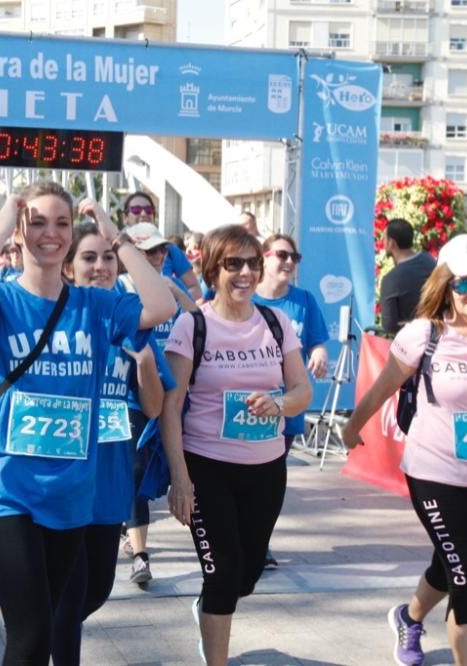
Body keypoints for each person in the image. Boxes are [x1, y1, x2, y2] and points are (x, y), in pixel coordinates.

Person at [0, 180, 174, 665]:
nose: (50, 233)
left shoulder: (95, 306)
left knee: (49, 623)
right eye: (38, 223)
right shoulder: (3, 302)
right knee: (29, 635)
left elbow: (162, 306)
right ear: (20, 231)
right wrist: (1, 228)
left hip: (71, 496)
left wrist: (117, 236)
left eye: (62, 223)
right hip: (3, 489)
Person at [341, 234, 467, 666]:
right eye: (462, 283)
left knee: (449, 566)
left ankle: (408, 617)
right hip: (432, 471)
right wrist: (352, 428)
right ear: (445, 286)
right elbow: (381, 388)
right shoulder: (424, 334)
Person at [162, 224, 312, 665]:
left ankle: (210, 605)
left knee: (245, 575)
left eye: (252, 263)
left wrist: (279, 403)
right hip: (208, 465)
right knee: (222, 572)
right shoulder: (194, 326)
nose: (245, 273)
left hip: (267, 467)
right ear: (213, 269)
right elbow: (171, 406)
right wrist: (180, 479)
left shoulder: (275, 322)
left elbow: (302, 390)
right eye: (233, 264)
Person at [51, 219, 173, 666]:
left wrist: (142, 364)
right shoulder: (56, 314)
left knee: (97, 589)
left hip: (111, 476)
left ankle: (38, 633)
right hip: (60, 476)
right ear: (67, 267)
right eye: (89, 257)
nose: (101, 266)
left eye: (108, 257)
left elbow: (156, 406)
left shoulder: (127, 316)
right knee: (70, 593)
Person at [117, 221, 198, 585]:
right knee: (134, 469)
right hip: (130, 396)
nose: (158, 257)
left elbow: (199, 321)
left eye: (161, 250)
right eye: (148, 251)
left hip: (174, 395)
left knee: (160, 469)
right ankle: (140, 554)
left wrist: (173, 292)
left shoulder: (171, 287)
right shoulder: (117, 288)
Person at [253, 233, 329, 568]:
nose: (288, 262)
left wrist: (320, 353)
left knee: (270, 479)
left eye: (294, 258)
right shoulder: (245, 297)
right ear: (264, 258)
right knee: (245, 477)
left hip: (288, 405)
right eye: (281, 254)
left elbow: (316, 341)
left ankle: (260, 542)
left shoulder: (304, 301)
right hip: (246, 406)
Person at [121, 191, 203, 301]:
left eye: (149, 210)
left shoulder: (170, 250)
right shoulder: (113, 251)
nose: (144, 214)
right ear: (125, 217)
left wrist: (173, 305)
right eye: (136, 210)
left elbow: (195, 288)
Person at [379, 218, 437, 335]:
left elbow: (389, 326)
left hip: (410, 344)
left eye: (384, 238)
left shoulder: (390, 280)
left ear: (392, 242)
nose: (382, 241)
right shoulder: (430, 261)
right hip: (439, 337)